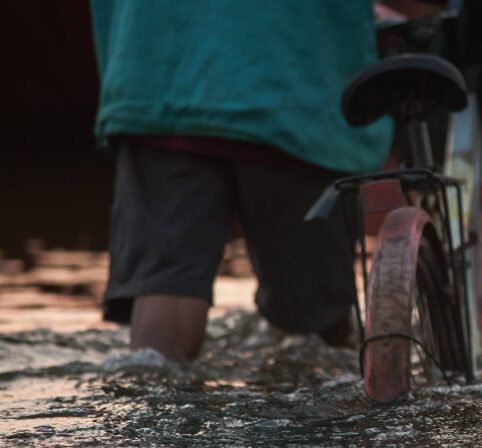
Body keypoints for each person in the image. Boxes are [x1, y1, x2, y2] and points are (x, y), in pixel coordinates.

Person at [90, 1, 392, 361]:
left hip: (157, 78)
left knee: (166, 288)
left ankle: (153, 402)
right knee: (313, 325)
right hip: (294, 89)